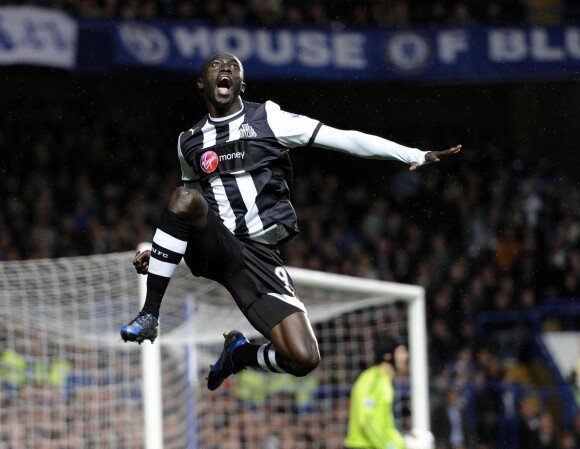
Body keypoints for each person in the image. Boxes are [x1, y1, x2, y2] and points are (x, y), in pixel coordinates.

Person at [120, 52, 462, 390]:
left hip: (259, 255)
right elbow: (192, 200)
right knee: (183, 197)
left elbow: (343, 138)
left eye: (233, 66)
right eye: (216, 65)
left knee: (303, 357)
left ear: (242, 83)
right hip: (218, 243)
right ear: (201, 82)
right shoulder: (189, 141)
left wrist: (413, 154)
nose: (225, 68)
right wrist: (163, 248)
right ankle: (150, 314)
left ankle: (240, 355)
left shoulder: (269, 119)